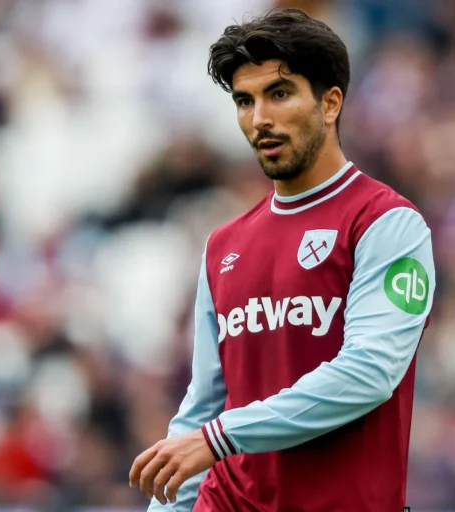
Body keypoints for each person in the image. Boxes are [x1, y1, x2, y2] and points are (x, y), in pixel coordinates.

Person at [129, 7, 435, 511]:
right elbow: (203, 407)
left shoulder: (387, 223)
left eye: (280, 94)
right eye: (244, 101)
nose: (260, 119)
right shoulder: (222, 246)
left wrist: (220, 437)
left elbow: (371, 371)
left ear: (330, 103)